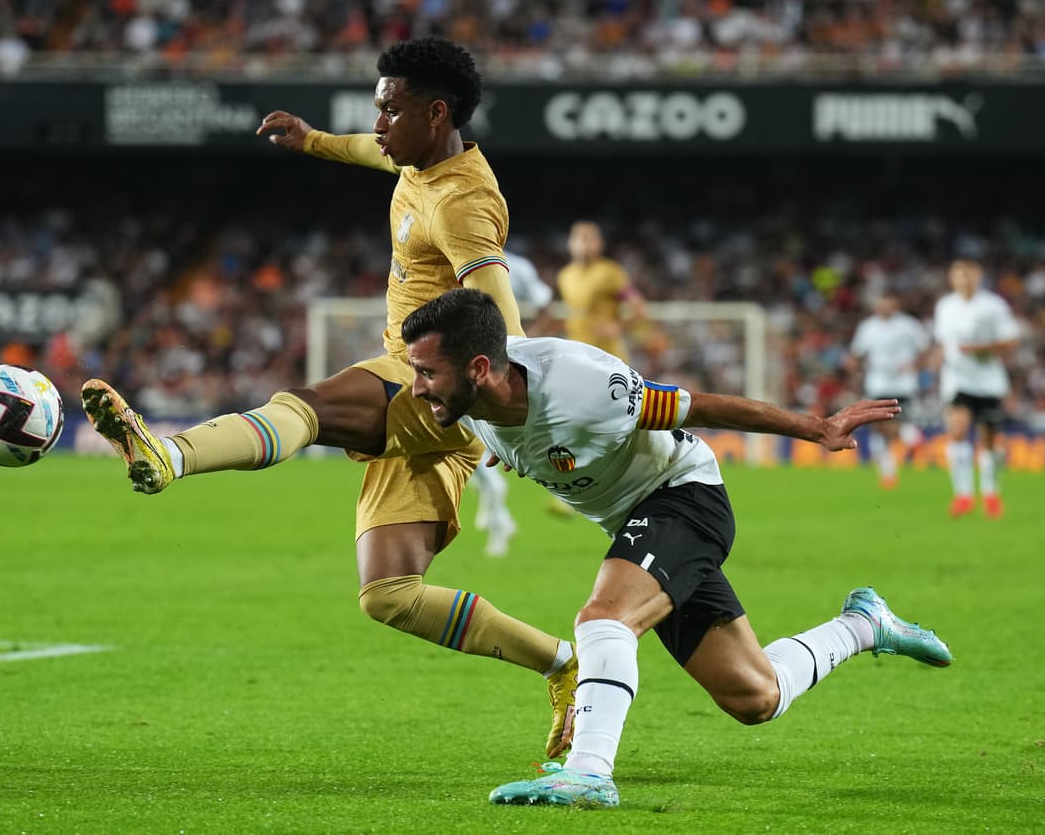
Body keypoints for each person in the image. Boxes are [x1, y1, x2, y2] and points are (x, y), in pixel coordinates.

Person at [79, 38, 578, 759]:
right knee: (390, 595)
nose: (377, 123)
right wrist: (311, 140)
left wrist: (509, 410)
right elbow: (371, 153)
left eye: (390, 109)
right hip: (436, 399)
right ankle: (563, 663)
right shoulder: (417, 158)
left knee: (307, 406)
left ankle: (171, 454)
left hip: (437, 387)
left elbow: (502, 318)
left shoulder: (465, 204)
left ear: (437, 113)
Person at [401, 289, 953, 808]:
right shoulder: (475, 395)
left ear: (477, 369)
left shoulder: (586, 388)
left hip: (683, 497)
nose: (418, 387)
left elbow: (702, 407)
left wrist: (816, 428)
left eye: (428, 373)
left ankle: (589, 772)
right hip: (633, 522)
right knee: (754, 696)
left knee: (604, 617)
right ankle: (865, 625)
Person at [470, 250, 553, 557]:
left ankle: (494, 495)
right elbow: (546, 302)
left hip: (495, 364)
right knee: (468, 440)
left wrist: (529, 342)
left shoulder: (516, 266)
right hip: (484, 360)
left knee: (471, 436)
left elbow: (546, 304)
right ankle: (496, 509)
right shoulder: (457, 254)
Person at [933, 259, 1020, 518]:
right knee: (957, 431)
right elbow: (943, 343)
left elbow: (1011, 341)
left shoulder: (993, 305)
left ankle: (991, 493)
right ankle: (964, 495)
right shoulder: (945, 306)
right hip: (957, 379)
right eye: (959, 275)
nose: (965, 279)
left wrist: (980, 348)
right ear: (952, 278)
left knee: (989, 442)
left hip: (988, 380)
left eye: (969, 274)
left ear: (979, 276)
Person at [847, 290, 931, 488]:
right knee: (878, 428)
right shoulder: (868, 327)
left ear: (896, 304)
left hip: (904, 384)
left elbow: (926, 349)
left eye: (888, 303)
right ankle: (889, 471)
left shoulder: (908, 325)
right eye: (881, 303)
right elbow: (856, 354)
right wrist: (854, 368)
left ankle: (910, 436)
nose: (884, 306)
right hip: (877, 384)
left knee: (889, 424)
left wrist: (916, 366)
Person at [556, 220, 646, 363]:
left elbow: (638, 306)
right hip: (578, 353)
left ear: (600, 243)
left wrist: (617, 327)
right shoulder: (565, 276)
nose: (584, 244)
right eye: (579, 238)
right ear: (570, 243)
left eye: (589, 239)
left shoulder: (610, 272)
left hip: (607, 355)